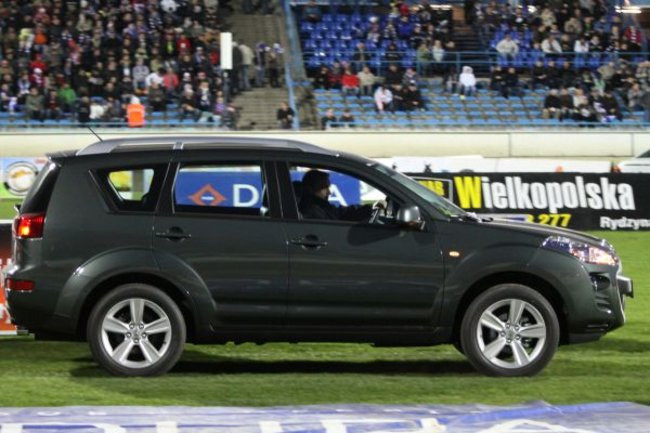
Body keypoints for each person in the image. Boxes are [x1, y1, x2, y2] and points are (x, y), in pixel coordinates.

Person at [298, 170, 373, 221]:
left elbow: (338, 212)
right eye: (325, 188)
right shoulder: (313, 211)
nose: (329, 192)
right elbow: (337, 223)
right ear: (314, 189)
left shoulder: (322, 206)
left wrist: (363, 209)